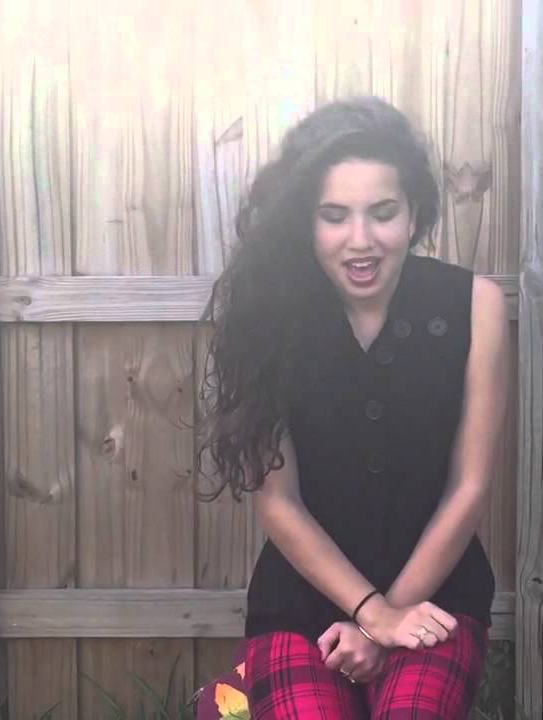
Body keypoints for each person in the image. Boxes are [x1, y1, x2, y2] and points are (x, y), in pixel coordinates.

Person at [199, 96, 509, 719]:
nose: (360, 241)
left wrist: (386, 623)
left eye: (383, 213)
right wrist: (372, 613)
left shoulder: (475, 305)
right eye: (334, 216)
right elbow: (278, 503)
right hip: (299, 607)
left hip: (434, 599)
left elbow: (469, 488)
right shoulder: (269, 317)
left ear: (414, 214)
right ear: (306, 222)